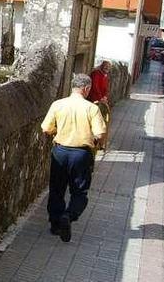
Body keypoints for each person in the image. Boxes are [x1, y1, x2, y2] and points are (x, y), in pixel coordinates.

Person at [41, 74, 107, 243]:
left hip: (60, 151)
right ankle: (68, 216)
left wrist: (58, 132)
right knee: (79, 191)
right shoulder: (92, 108)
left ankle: (55, 224)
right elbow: (100, 133)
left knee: (56, 189)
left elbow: (46, 128)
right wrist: (95, 142)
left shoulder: (58, 104)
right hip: (81, 154)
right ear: (86, 89)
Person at [88, 61, 111, 150]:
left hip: (101, 101)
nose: (107, 68)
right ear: (102, 66)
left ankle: (100, 142)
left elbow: (106, 88)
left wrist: (105, 97)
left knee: (103, 120)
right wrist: (100, 98)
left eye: (108, 67)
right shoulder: (96, 74)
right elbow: (95, 87)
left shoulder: (105, 75)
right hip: (94, 101)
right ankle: (95, 141)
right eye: (105, 66)